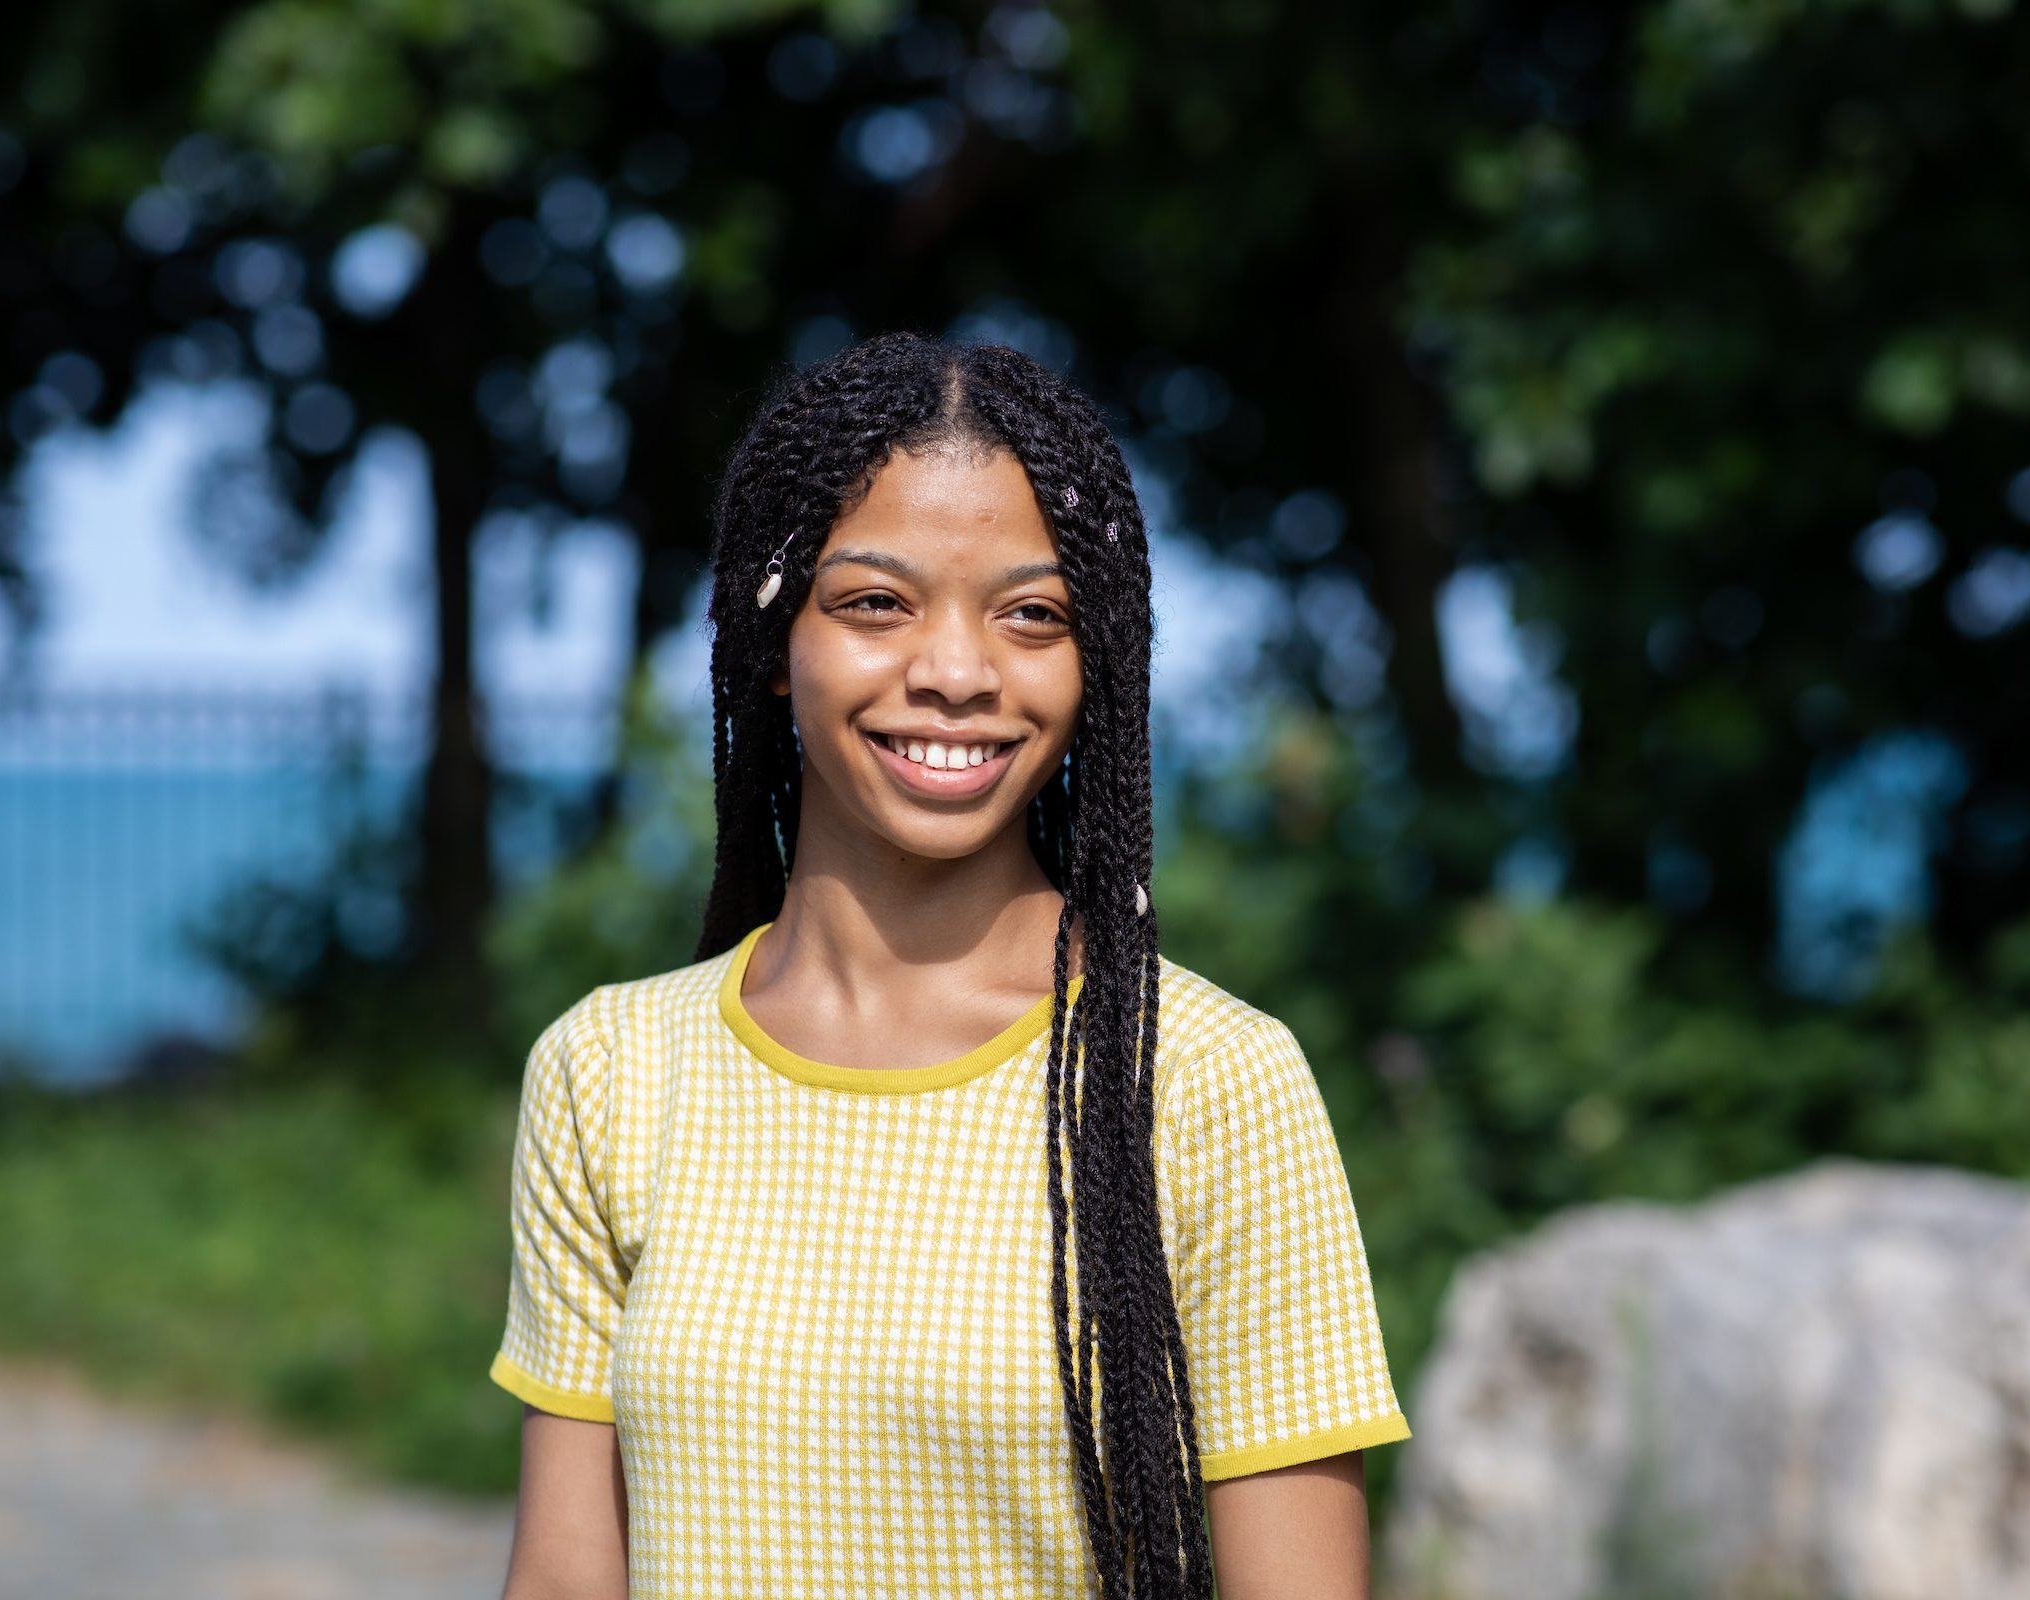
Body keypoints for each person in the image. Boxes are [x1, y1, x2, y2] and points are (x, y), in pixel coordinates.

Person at [489, 332, 1410, 1599]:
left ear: (1098, 667)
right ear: (771, 640)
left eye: (1034, 617)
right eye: (876, 602)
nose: (958, 674)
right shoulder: (609, 1069)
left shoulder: (1203, 1080)